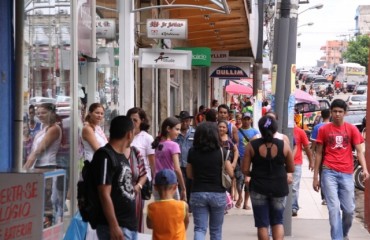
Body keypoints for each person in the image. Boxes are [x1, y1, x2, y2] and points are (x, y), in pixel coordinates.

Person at [313, 99, 369, 240]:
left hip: (347, 173)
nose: (337, 114)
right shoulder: (323, 129)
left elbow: (359, 151)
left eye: (340, 112)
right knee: (333, 209)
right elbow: (319, 153)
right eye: (335, 111)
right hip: (328, 171)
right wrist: (315, 177)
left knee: (349, 210)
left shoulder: (351, 129)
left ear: (345, 113)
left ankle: (343, 234)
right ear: (331, 112)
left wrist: (365, 169)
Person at [91, 115, 147, 240]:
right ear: (129, 134)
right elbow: (104, 193)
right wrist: (114, 225)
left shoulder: (122, 156)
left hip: (129, 226)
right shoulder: (105, 156)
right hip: (115, 227)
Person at [242, 115, 295, 240]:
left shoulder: (252, 145)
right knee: (277, 221)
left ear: (260, 129)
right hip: (279, 187)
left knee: (262, 224)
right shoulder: (284, 145)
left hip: (258, 187)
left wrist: (253, 174)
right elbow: (291, 168)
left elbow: (244, 169)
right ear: (275, 128)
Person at [186, 122, 234, 240]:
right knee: (216, 230)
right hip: (218, 194)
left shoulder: (192, 152)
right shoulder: (222, 152)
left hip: (198, 192)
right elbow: (231, 174)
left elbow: (189, 174)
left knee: (199, 228)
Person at [81, 103, 108, 239]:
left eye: (102, 113)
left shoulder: (98, 129)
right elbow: (98, 149)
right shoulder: (87, 129)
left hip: (100, 168)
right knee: (94, 203)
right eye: (97, 113)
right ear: (90, 113)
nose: (99, 116)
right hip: (92, 168)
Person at [126, 107, 155, 233]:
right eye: (130, 120)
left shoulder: (147, 138)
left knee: (136, 214)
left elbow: (153, 163)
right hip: (124, 180)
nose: (132, 122)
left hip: (140, 181)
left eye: (135, 120)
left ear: (142, 121)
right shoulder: (125, 135)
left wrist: (154, 182)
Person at [147, 169, 189, 240]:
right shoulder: (183, 206)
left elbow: (149, 225)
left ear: (155, 187)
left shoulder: (151, 207)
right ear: (175, 187)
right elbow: (186, 223)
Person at [152, 117, 187, 201]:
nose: (179, 132)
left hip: (157, 183)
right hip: (170, 183)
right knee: (174, 211)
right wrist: (183, 188)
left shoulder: (157, 144)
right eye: (177, 129)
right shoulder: (174, 145)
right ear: (168, 129)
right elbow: (177, 169)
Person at [23, 103, 62, 169]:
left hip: (46, 165)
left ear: (52, 113)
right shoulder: (44, 129)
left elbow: (39, 150)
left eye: (43, 113)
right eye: (38, 113)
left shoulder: (54, 128)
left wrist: (25, 168)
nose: (40, 115)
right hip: (38, 165)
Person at [236, 112, 260, 210]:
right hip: (239, 158)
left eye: (248, 119)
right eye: (244, 119)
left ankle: (246, 202)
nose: (246, 121)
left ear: (251, 120)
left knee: (248, 182)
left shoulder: (255, 132)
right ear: (241, 120)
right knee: (238, 180)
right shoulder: (237, 131)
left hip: (250, 159)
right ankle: (240, 197)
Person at [292, 122, 313, 217]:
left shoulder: (300, 132)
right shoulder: (280, 130)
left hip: (296, 163)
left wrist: (311, 161)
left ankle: (293, 207)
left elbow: (307, 147)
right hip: (282, 163)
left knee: (294, 187)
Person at [310, 109, 331, 205]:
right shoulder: (332, 126)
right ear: (330, 115)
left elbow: (313, 144)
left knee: (322, 176)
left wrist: (312, 157)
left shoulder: (317, 127)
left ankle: (325, 198)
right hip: (331, 155)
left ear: (322, 116)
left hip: (322, 155)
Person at [174, 110, 196, 203]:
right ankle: (181, 205)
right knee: (180, 186)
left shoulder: (194, 133)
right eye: (182, 121)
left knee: (190, 185)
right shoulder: (175, 134)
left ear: (190, 121)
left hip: (190, 165)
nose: (185, 123)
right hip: (178, 165)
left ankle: (189, 206)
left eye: (187, 121)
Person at [218, 120, 239, 201]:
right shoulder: (215, 139)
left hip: (227, 168)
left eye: (224, 127)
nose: (221, 129)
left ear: (227, 129)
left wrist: (234, 163)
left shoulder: (229, 140)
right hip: (218, 166)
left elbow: (236, 151)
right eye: (220, 127)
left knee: (227, 184)